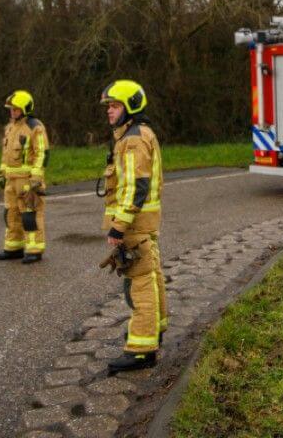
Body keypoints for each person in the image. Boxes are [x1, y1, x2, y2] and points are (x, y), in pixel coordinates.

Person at [99, 79, 168, 373]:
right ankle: (154, 329)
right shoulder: (136, 134)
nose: (109, 112)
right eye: (109, 107)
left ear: (130, 107)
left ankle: (141, 349)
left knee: (139, 282)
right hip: (141, 222)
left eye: (114, 106)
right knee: (151, 276)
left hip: (134, 225)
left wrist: (118, 226)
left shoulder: (133, 140)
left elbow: (134, 187)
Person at [0, 90, 49, 264]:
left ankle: (34, 249)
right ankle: (14, 248)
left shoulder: (35, 127)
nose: (12, 112)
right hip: (11, 181)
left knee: (29, 216)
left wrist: (36, 178)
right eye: (11, 109)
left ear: (26, 109)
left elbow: (42, 153)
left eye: (16, 109)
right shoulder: (10, 127)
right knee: (10, 214)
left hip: (27, 181)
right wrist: (2, 173)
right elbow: (5, 154)